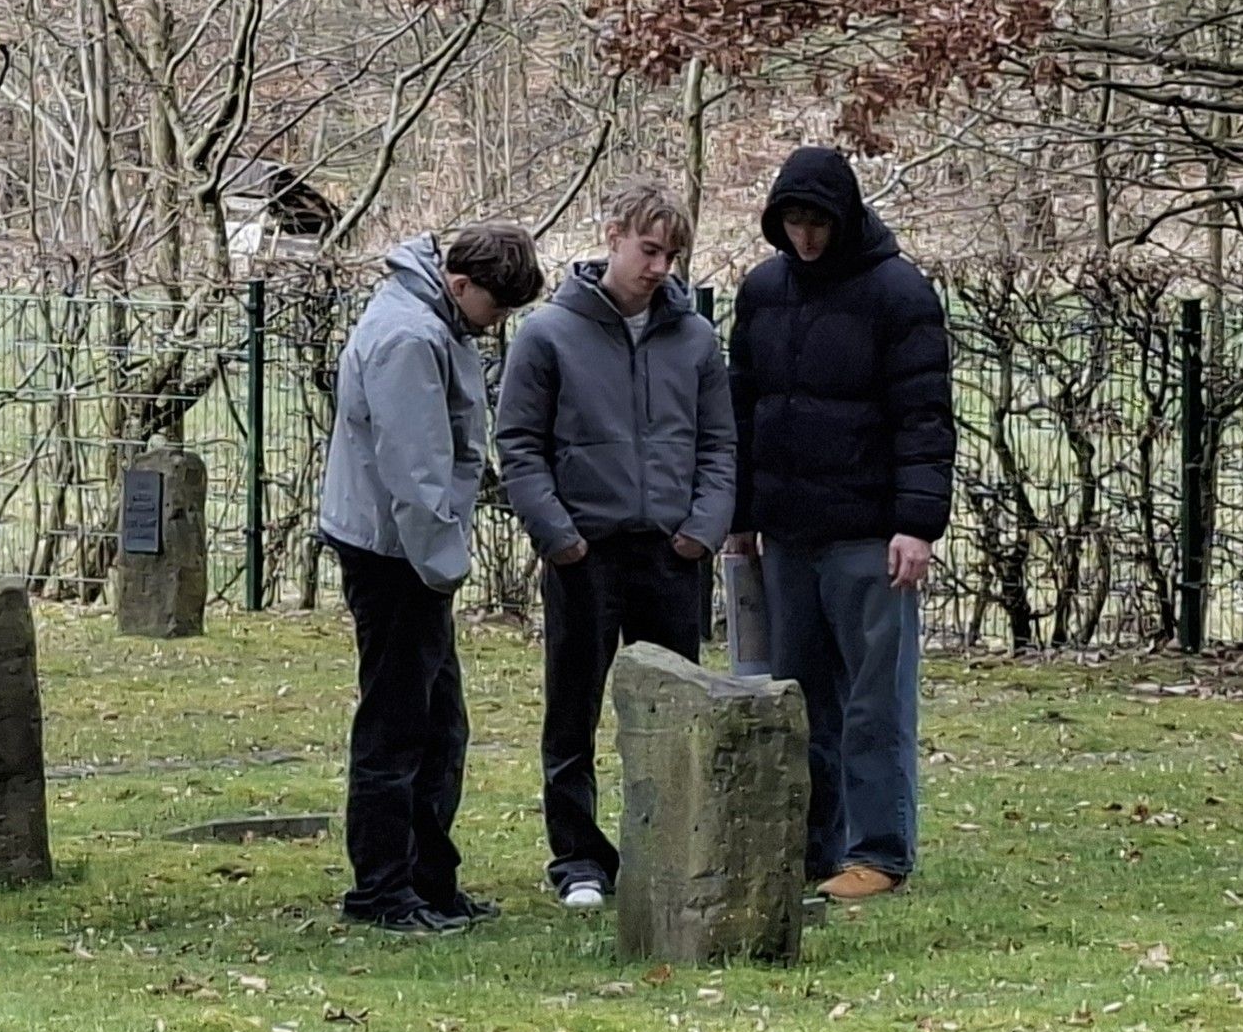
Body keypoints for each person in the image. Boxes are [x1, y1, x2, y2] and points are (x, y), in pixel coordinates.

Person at [496, 179, 736, 910]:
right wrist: (559, 536)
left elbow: (719, 444)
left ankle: (665, 851)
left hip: (672, 556)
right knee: (573, 712)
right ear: (613, 237)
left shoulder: (696, 339)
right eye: (649, 249)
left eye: (672, 255)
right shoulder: (546, 334)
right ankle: (578, 860)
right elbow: (518, 444)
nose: (660, 267)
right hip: (584, 555)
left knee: (674, 714)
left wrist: (701, 531)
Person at [725, 146, 953, 900]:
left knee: (873, 701)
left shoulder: (900, 293)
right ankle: (812, 846)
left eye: (817, 221)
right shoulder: (762, 291)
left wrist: (917, 524)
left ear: (845, 217)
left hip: (870, 534)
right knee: (800, 701)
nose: (806, 236)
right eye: (793, 221)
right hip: (788, 536)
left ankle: (879, 851)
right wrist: (741, 517)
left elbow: (924, 417)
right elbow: (743, 409)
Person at [316, 220, 547, 931]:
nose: (497, 323)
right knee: (399, 726)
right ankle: (383, 891)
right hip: (396, 556)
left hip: (405, 550)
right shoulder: (411, 338)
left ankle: (428, 880)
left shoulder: (429, 321)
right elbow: (414, 472)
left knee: (440, 723)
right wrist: (444, 567)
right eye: (496, 307)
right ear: (460, 283)